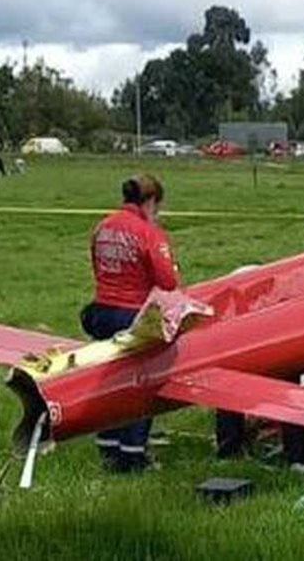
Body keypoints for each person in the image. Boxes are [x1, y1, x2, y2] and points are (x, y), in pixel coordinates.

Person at [81, 173, 180, 473]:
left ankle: (108, 446)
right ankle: (134, 453)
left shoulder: (103, 226)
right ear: (150, 202)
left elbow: (96, 264)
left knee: (109, 378)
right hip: (133, 314)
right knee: (141, 382)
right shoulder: (149, 233)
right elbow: (167, 280)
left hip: (102, 310)